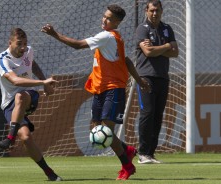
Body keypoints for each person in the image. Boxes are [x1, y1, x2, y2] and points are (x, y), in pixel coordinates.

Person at [41, 4, 150, 180]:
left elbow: (77, 45)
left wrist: (55, 34)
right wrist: (139, 80)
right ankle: (127, 150)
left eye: (108, 18)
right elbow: (127, 61)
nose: (104, 19)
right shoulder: (114, 38)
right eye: (104, 16)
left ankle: (127, 166)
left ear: (116, 22)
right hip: (100, 88)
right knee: (97, 128)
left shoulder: (107, 36)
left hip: (113, 88)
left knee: (106, 130)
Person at [0, 28, 62, 181]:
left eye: (25, 43)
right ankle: (49, 172)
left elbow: (32, 64)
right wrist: (43, 82)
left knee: (20, 96)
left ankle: (10, 137)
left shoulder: (28, 51)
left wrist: (44, 82)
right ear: (10, 43)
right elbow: (15, 80)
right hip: (9, 105)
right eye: (19, 44)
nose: (23, 47)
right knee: (25, 137)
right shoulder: (2, 59)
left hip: (29, 96)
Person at [135, 0, 179, 164]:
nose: (155, 13)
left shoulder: (167, 28)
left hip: (163, 76)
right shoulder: (142, 28)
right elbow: (147, 52)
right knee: (147, 113)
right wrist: (167, 46)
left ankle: (151, 153)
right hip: (146, 76)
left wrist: (157, 48)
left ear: (162, 11)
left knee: (158, 115)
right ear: (146, 11)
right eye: (152, 10)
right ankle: (143, 153)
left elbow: (175, 53)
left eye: (157, 10)